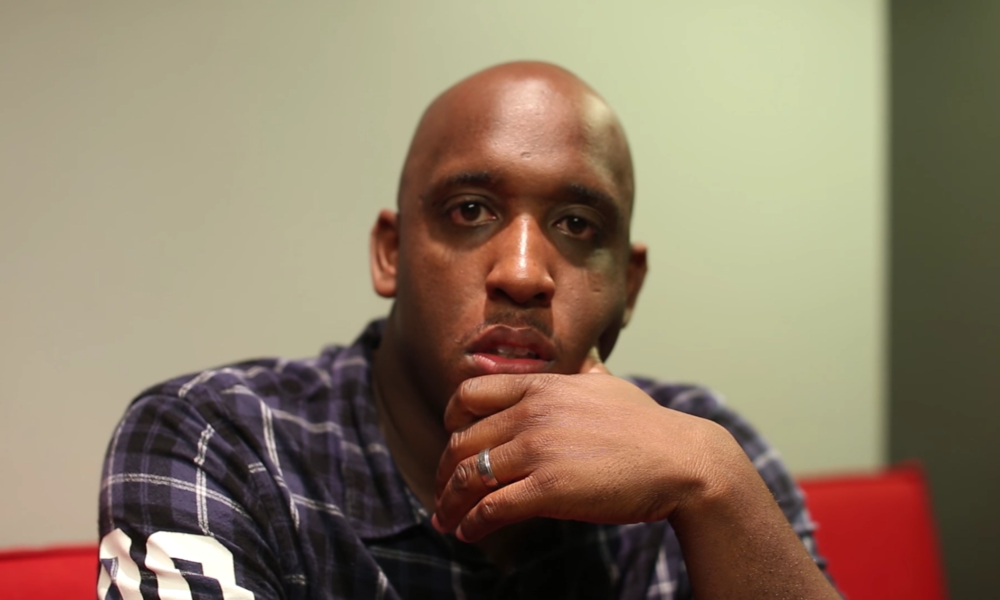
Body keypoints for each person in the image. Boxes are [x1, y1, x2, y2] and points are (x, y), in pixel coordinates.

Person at [98, 61, 839, 599]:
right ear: (391, 253)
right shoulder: (222, 442)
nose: (522, 272)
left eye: (577, 225)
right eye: (471, 211)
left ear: (629, 285)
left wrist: (715, 483)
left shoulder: (698, 453)